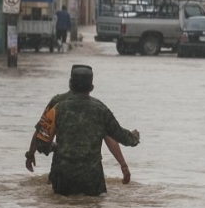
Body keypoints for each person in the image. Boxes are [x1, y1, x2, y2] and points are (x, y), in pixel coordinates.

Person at [24, 64, 139, 196]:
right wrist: (134, 137)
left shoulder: (57, 107)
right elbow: (119, 136)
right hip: (92, 179)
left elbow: (41, 141)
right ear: (91, 87)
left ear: (70, 84)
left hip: (63, 177)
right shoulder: (101, 110)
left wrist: (55, 148)